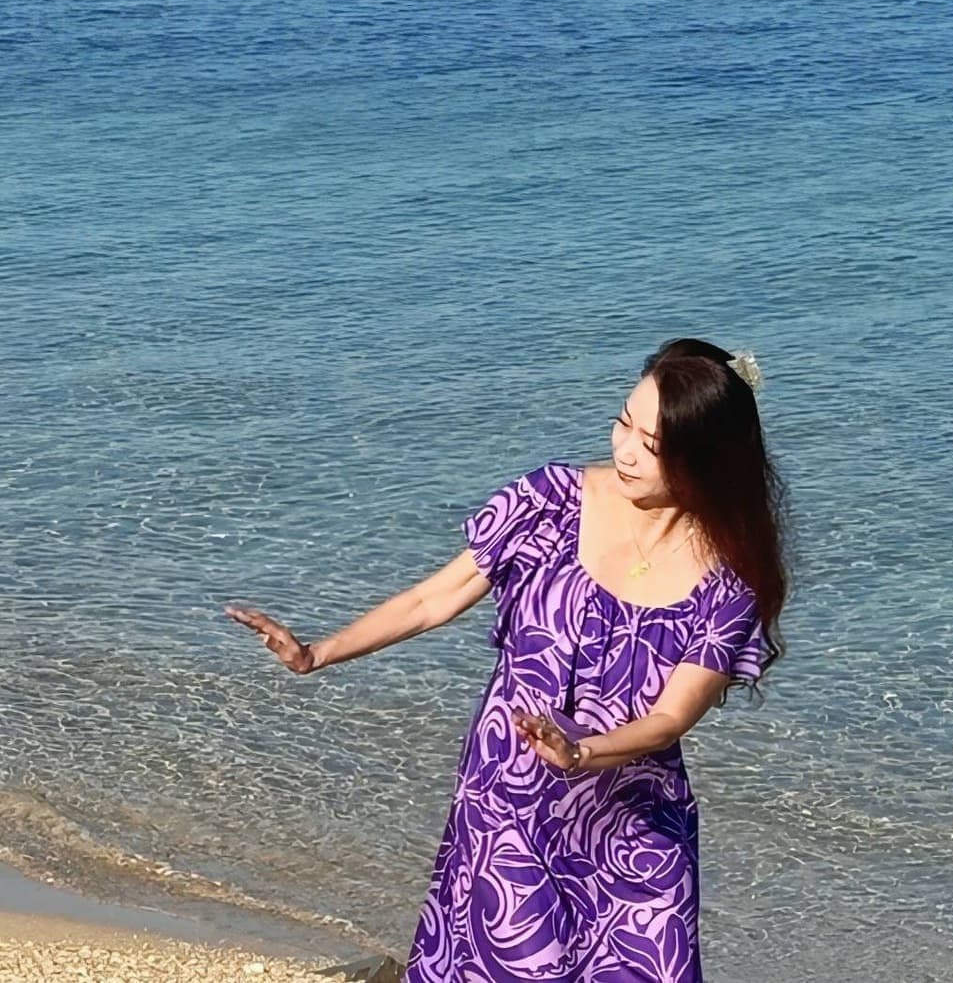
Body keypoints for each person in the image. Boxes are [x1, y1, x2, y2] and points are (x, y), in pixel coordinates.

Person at [225, 337, 789, 982]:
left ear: (707, 460)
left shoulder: (729, 580)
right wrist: (318, 652)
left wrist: (581, 752)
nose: (626, 450)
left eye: (653, 444)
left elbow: (669, 720)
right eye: (623, 422)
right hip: (513, 800)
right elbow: (433, 599)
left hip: (633, 820)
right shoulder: (549, 502)